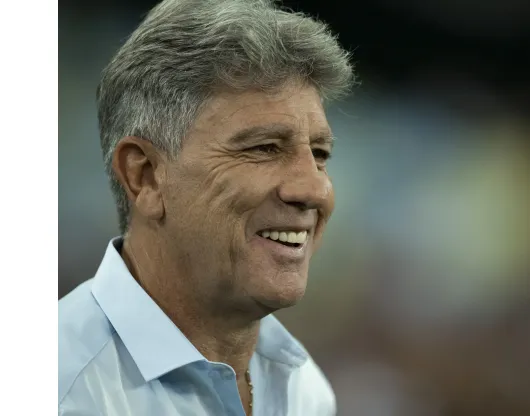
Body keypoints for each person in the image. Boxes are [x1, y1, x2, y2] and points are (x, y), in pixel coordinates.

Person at [58, 0, 355, 414]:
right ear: (145, 176)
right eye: (265, 147)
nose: (315, 188)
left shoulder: (305, 389)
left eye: (320, 153)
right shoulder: (58, 388)